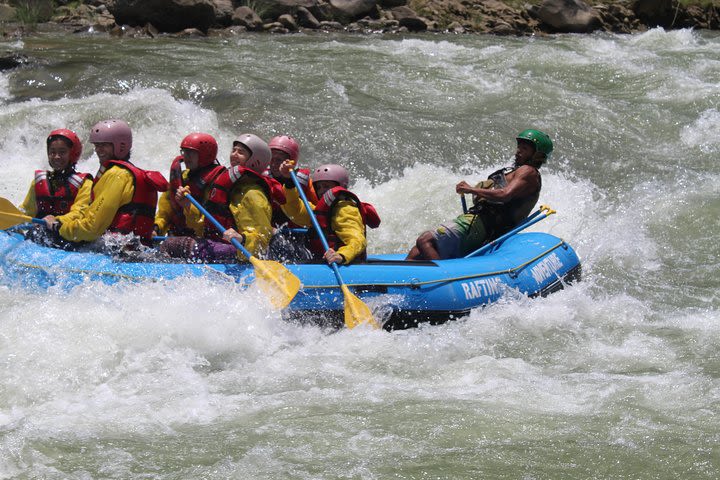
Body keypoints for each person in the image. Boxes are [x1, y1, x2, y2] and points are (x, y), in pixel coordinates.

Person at [406, 129, 553, 260]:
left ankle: (445, 280)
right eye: (519, 147)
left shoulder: (528, 171)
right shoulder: (514, 171)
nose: (518, 151)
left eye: (525, 148)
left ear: (537, 155)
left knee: (425, 240)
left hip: (483, 225)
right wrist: (480, 194)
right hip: (477, 220)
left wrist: (471, 189)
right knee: (415, 253)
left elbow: (505, 194)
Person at [43, 119, 169, 248]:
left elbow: (92, 227)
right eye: (97, 145)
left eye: (104, 145)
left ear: (121, 146)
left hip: (119, 251)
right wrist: (61, 220)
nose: (98, 150)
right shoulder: (123, 172)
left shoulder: (117, 175)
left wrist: (59, 228)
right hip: (132, 248)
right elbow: (89, 213)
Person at [202, 133, 286, 261]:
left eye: (241, 152)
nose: (234, 154)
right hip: (219, 243)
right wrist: (186, 206)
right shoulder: (230, 187)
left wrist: (242, 239)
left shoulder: (253, 194)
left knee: (176, 246)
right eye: (233, 150)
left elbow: (262, 238)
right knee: (175, 245)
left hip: (239, 251)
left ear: (255, 160)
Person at [278, 162, 380, 265]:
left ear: (340, 186)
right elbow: (296, 210)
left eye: (326, 186)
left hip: (343, 261)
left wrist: (341, 255)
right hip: (322, 260)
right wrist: (290, 184)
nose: (321, 191)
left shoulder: (345, 208)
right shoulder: (321, 209)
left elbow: (357, 240)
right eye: (318, 187)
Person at [154, 132, 226, 237]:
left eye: (191, 153)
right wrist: (156, 228)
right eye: (184, 152)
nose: (185, 157)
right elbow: (164, 213)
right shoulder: (181, 178)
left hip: (204, 239)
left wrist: (188, 206)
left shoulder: (216, 183)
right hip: (176, 237)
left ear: (205, 154)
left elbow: (205, 224)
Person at [266, 135, 317, 261]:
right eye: (271, 158)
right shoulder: (262, 178)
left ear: (291, 161)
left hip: (298, 234)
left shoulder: (303, 182)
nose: (274, 163)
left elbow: (316, 211)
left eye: (279, 160)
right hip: (270, 232)